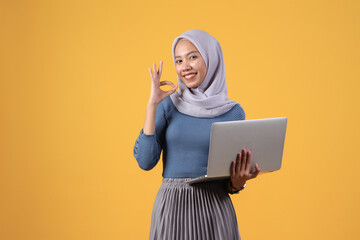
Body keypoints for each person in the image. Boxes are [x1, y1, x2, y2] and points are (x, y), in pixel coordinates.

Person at [133, 29, 260, 240]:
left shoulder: (233, 112)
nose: (185, 67)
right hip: (173, 209)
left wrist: (240, 181)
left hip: (215, 209)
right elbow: (145, 161)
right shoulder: (168, 105)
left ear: (211, 58)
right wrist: (152, 105)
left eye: (193, 57)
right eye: (179, 60)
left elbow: (230, 182)